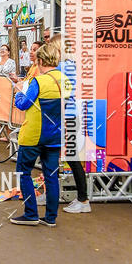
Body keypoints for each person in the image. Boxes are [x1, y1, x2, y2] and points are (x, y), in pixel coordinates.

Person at [9, 42, 71, 227]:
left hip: (33, 135)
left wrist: (18, 92)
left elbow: (23, 104)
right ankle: (51, 218)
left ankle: (31, 214)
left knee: (24, 173)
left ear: (41, 61)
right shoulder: (66, 80)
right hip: (55, 136)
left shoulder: (38, 81)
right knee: (51, 176)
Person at [50, 33, 91, 214]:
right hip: (73, 116)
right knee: (72, 159)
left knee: (72, 160)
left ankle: (83, 200)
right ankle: (82, 198)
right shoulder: (71, 66)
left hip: (68, 117)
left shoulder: (61, 67)